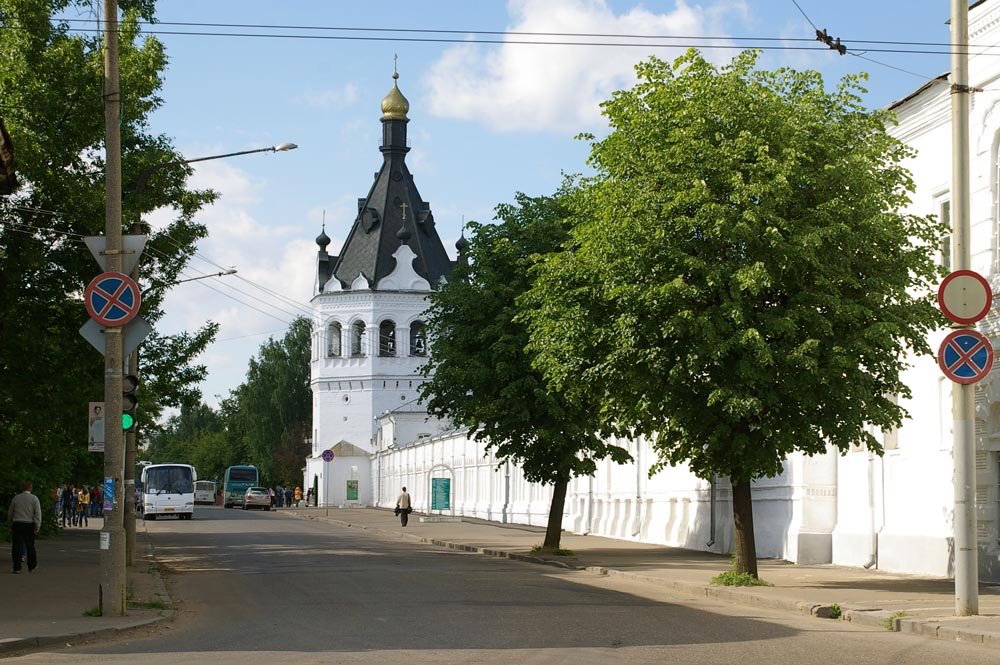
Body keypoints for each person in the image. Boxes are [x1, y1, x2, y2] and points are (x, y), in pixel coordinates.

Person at [8, 481, 41, 573]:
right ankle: (32, 565)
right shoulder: (34, 498)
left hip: (17, 523)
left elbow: (11, 512)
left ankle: (17, 567)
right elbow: (37, 513)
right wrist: (37, 525)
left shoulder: (16, 498)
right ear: (30, 488)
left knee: (16, 546)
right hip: (29, 524)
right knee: (30, 545)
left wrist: (10, 524)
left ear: (22, 488)